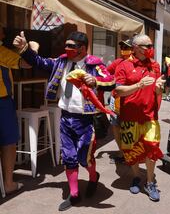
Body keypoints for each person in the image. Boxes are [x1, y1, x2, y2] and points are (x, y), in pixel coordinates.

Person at [13, 31, 115, 211]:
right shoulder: (61, 62)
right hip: (66, 117)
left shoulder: (94, 64)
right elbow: (40, 62)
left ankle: (93, 177)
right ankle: (74, 194)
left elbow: (111, 80)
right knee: (69, 157)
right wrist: (25, 50)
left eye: (71, 46)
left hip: (87, 120)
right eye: (66, 45)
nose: (66, 49)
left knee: (85, 158)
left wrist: (95, 81)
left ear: (82, 48)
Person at [115, 34, 165, 201]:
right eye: (146, 46)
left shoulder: (155, 66)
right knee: (131, 150)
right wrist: (138, 85)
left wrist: (159, 88)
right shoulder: (124, 65)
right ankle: (136, 176)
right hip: (129, 116)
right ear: (135, 47)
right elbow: (118, 90)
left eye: (151, 45)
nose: (150, 48)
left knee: (151, 149)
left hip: (150, 116)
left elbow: (158, 91)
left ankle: (150, 182)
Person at [0, 24, 35, 195]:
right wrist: (32, 47)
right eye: (1, 28)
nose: (4, 31)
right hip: (2, 101)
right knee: (9, 142)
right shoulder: (1, 52)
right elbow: (27, 64)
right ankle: (8, 183)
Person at [106, 38, 134, 164]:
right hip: (115, 99)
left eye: (126, 47)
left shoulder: (137, 63)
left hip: (131, 100)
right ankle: (122, 152)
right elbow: (105, 72)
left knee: (129, 128)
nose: (123, 50)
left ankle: (131, 153)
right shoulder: (118, 61)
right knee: (116, 126)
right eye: (122, 47)